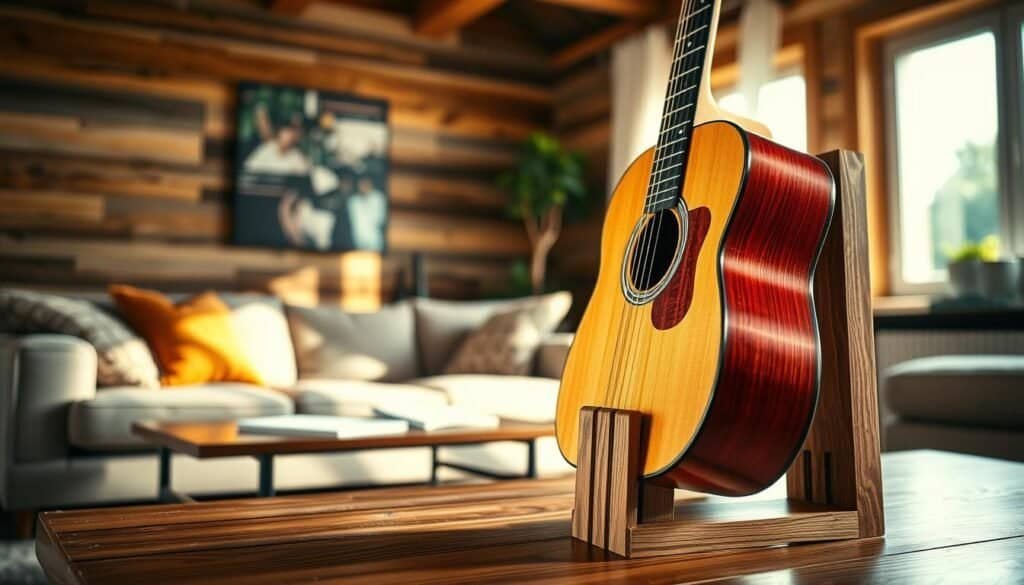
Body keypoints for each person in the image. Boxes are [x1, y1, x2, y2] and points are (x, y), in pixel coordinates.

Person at [243, 106, 311, 175]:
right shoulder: (267, 148)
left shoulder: (297, 157)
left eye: (290, 135)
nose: (286, 139)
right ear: (279, 134)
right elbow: (249, 168)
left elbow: (304, 173)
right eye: (284, 134)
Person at [347, 175, 387, 251]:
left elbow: (379, 220)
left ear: (371, 184)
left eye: (366, 184)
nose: (363, 187)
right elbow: (354, 222)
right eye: (361, 184)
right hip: (358, 240)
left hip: (374, 239)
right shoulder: (353, 201)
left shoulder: (378, 198)